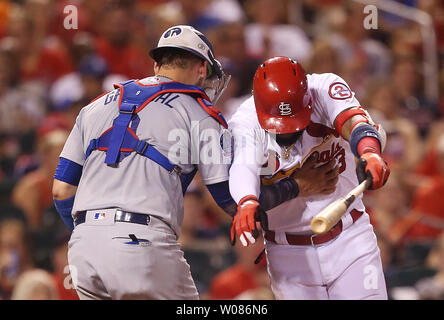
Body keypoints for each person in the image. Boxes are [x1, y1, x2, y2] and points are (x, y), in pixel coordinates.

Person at [51, 26, 315, 300]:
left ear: (157, 65)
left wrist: (99, 235)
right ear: (202, 68)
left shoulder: (94, 106)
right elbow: (230, 201)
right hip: (141, 242)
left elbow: (61, 191)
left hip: (83, 249)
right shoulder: (200, 113)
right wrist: (297, 186)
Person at [228, 56, 391, 300]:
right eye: (279, 126)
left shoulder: (324, 88)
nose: (288, 131)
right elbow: (243, 166)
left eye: (293, 123)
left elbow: (356, 122)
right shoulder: (244, 120)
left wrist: (369, 151)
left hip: (350, 237)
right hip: (288, 254)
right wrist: (247, 200)